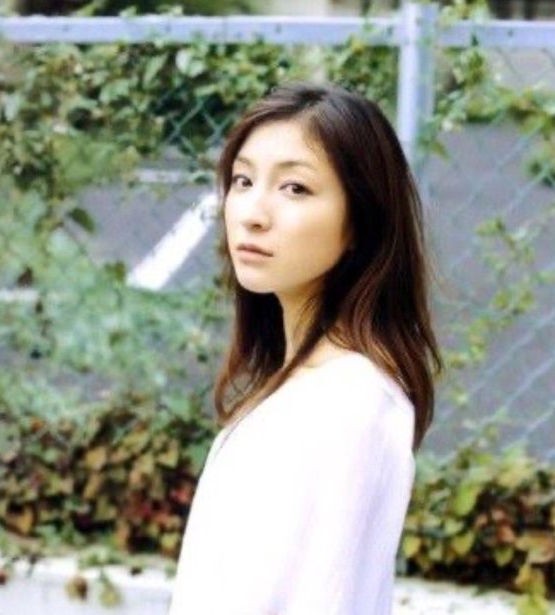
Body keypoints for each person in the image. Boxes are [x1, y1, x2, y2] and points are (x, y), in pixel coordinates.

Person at [167, 82, 442, 615]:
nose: (252, 212)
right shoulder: (308, 384)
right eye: (243, 180)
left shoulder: (349, 405)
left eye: (295, 188)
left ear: (361, 221)